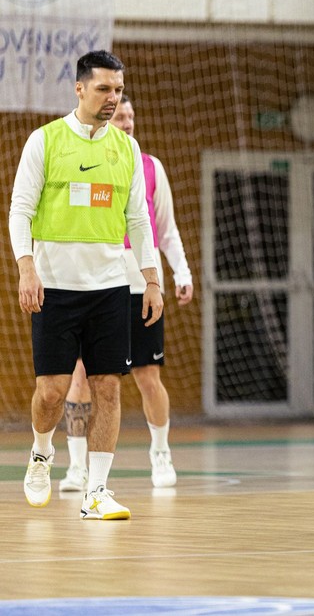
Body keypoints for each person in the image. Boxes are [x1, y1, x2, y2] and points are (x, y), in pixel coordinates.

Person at [9, 50, 163, 520]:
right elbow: (20, 210)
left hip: (111, 288)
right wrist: (26, 267)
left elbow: (138, 219)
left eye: (118, 90)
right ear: (79, 89)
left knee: (109, 389)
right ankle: (41, 453)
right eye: (103, 89)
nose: (112, 98)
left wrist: (151, 279)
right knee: (52, 392)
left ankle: (97, 491)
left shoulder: (127, 149)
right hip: (54, 287)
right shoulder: (45, 141)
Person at [58, 94, 194, 493]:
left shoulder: (150, 167)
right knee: (81, 374)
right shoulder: (83, 164)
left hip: (140, 285)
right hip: (95, 283)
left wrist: (180, 271)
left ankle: (161, 453)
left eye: (132, 115)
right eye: (120, 115)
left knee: (147, 375)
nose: (128, 121)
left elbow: (165, 229)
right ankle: (78, 468)